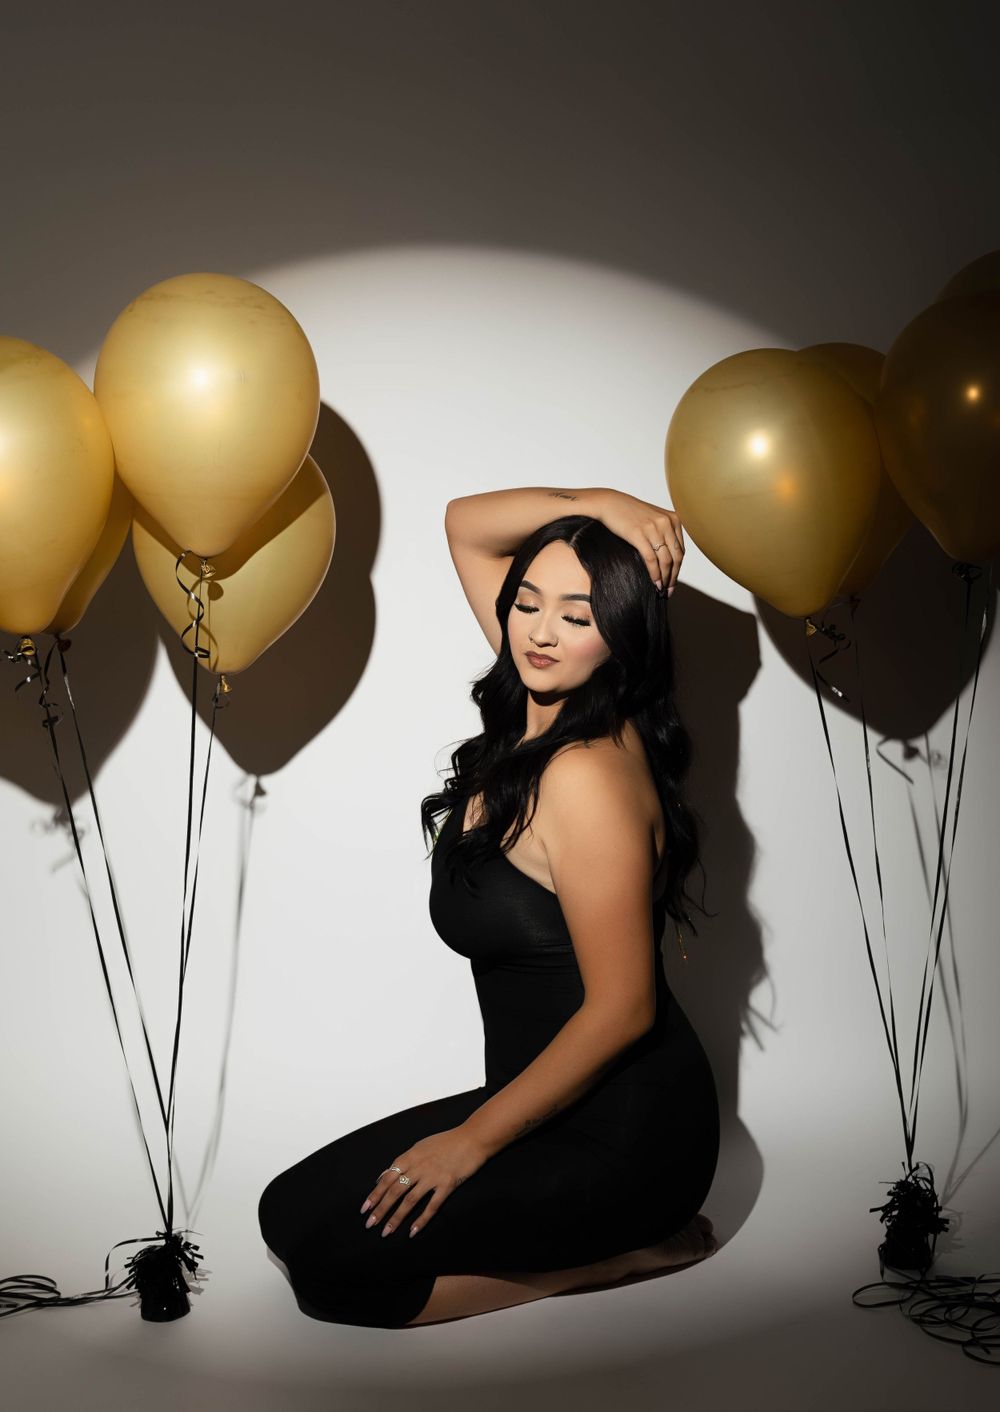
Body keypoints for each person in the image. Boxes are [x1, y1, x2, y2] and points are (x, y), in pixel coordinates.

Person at [258, 484, 721, 1327]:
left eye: (578, 617)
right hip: (537, 1104)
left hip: (626, 1139)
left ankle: (608, 1259)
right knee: (285, 1211)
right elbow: (465, 525)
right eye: (527, 603)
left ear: (622, 635)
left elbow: (623, 1010)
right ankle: (578, 1239)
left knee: (332, 1269)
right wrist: (601, 503)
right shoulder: (538, 704)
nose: (540, 632)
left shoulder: (585, 777)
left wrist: (467, 1144)